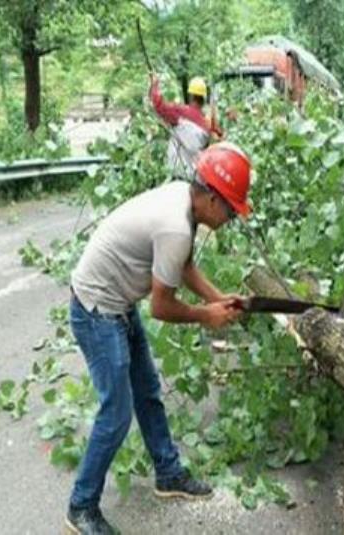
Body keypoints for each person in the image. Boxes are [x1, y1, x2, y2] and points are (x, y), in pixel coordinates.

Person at [64, 142, 251, 534]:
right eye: (231, 208)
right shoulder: (176, 226)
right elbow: (161, 307)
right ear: (211, 199)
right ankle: (81, 508)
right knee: (116, 414)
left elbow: (182, 266)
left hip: (117, 304)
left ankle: (168, 474)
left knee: (147, 391)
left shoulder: (183, 204)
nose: (232, 217)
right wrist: (207, 316)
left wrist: (219, 298)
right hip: (97, 310)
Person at [149, 75, 224, 179]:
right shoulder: (207, 124)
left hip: (176, 173)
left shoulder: (180, 113)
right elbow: (219, 137)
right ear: (203, 98)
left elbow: (159, 106)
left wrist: (154, 85)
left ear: (191, 95)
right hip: (195, 177)